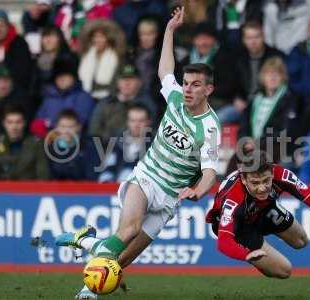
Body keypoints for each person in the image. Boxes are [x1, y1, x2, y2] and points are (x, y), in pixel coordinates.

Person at [55, 7, 221, 299]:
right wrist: (169, 30)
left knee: (122, 260)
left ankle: (87, 242)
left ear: (209, 89)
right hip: (146, 177)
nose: (188, 90)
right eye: (186, 83)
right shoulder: (175, 98)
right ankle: (86, 293)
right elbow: (164, 72)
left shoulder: (209, 128)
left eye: (196, 85)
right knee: (128, 229)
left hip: (170, 198)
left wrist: (199, 191)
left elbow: (209, 171)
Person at [206, 150, 310, 278]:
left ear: (272, 172)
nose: (262, 188)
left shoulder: (281, 174)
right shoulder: (233, 199)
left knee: (301, 241)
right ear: (244, 179)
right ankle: (258, 252)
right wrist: (246, 254)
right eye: (255, 183)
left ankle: (268, 217)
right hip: (241, 226)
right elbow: (223, 242)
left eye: (266, 181)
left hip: (263, 209)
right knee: (284, 271)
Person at [88, 64, 157, 144]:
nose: (126, 83)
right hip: (104, 147)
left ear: (139, 82)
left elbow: (150, 131)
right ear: (117, 82)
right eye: (123, 79)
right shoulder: (106, 102)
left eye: (131, 79)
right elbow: (93, 130)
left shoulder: (148, 104)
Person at [0, 105, 50, 180]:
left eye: (18, 122)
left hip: (29, 190)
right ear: (4, 123)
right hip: (2, 190)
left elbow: (43, 176)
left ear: (24, 123)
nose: (14, 127)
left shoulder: (37, 144)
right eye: (10, 122)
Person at [98, 104, 152, 182]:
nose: (136, 125)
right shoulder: (117, 143)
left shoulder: (154, 145)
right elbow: (108, 166)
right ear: (127, 122)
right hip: (114, 187)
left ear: (148, 122)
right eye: (133, 121)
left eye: (141, 121)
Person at [78, 19, 127, 100]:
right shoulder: (86, 55)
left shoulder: (115, 57)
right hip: (86, 95)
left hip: (107, 96)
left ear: (108, 38)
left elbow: (117, 81)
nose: (98, 40)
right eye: (95, 37)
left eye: (101, 37)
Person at [47, 109, 100, 180]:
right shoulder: (50, 149)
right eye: (63, 127)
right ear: (56, 127)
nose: (66, 131)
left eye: (71, 127)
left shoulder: (88, 148)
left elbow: (92, 176)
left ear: (79, 127)